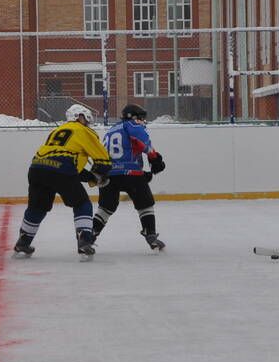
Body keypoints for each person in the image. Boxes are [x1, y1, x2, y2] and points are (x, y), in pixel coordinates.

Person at [14, 103, 112, 259]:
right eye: (86, 119)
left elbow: (74, 170)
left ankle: (23, 241)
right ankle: (85, 239)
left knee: (37, 208)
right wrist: (100, 175)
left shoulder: (56, 131)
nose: (87, 123)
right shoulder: (84, 131)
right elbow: (104, 161)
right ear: (80, 117)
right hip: (61, 168)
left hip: (37, 167)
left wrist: (91, 177)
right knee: (82, 203)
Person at [92, 103, 167, 251]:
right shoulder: (132, 125)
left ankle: (89, 236)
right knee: (145, 204)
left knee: (105, 208)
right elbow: (143, 143)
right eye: (140, 118)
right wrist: (154, 158)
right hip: (131, 174)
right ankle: (150, 234)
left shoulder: (111, 130)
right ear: (132, 117)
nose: (142, 121)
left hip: (110, 174)